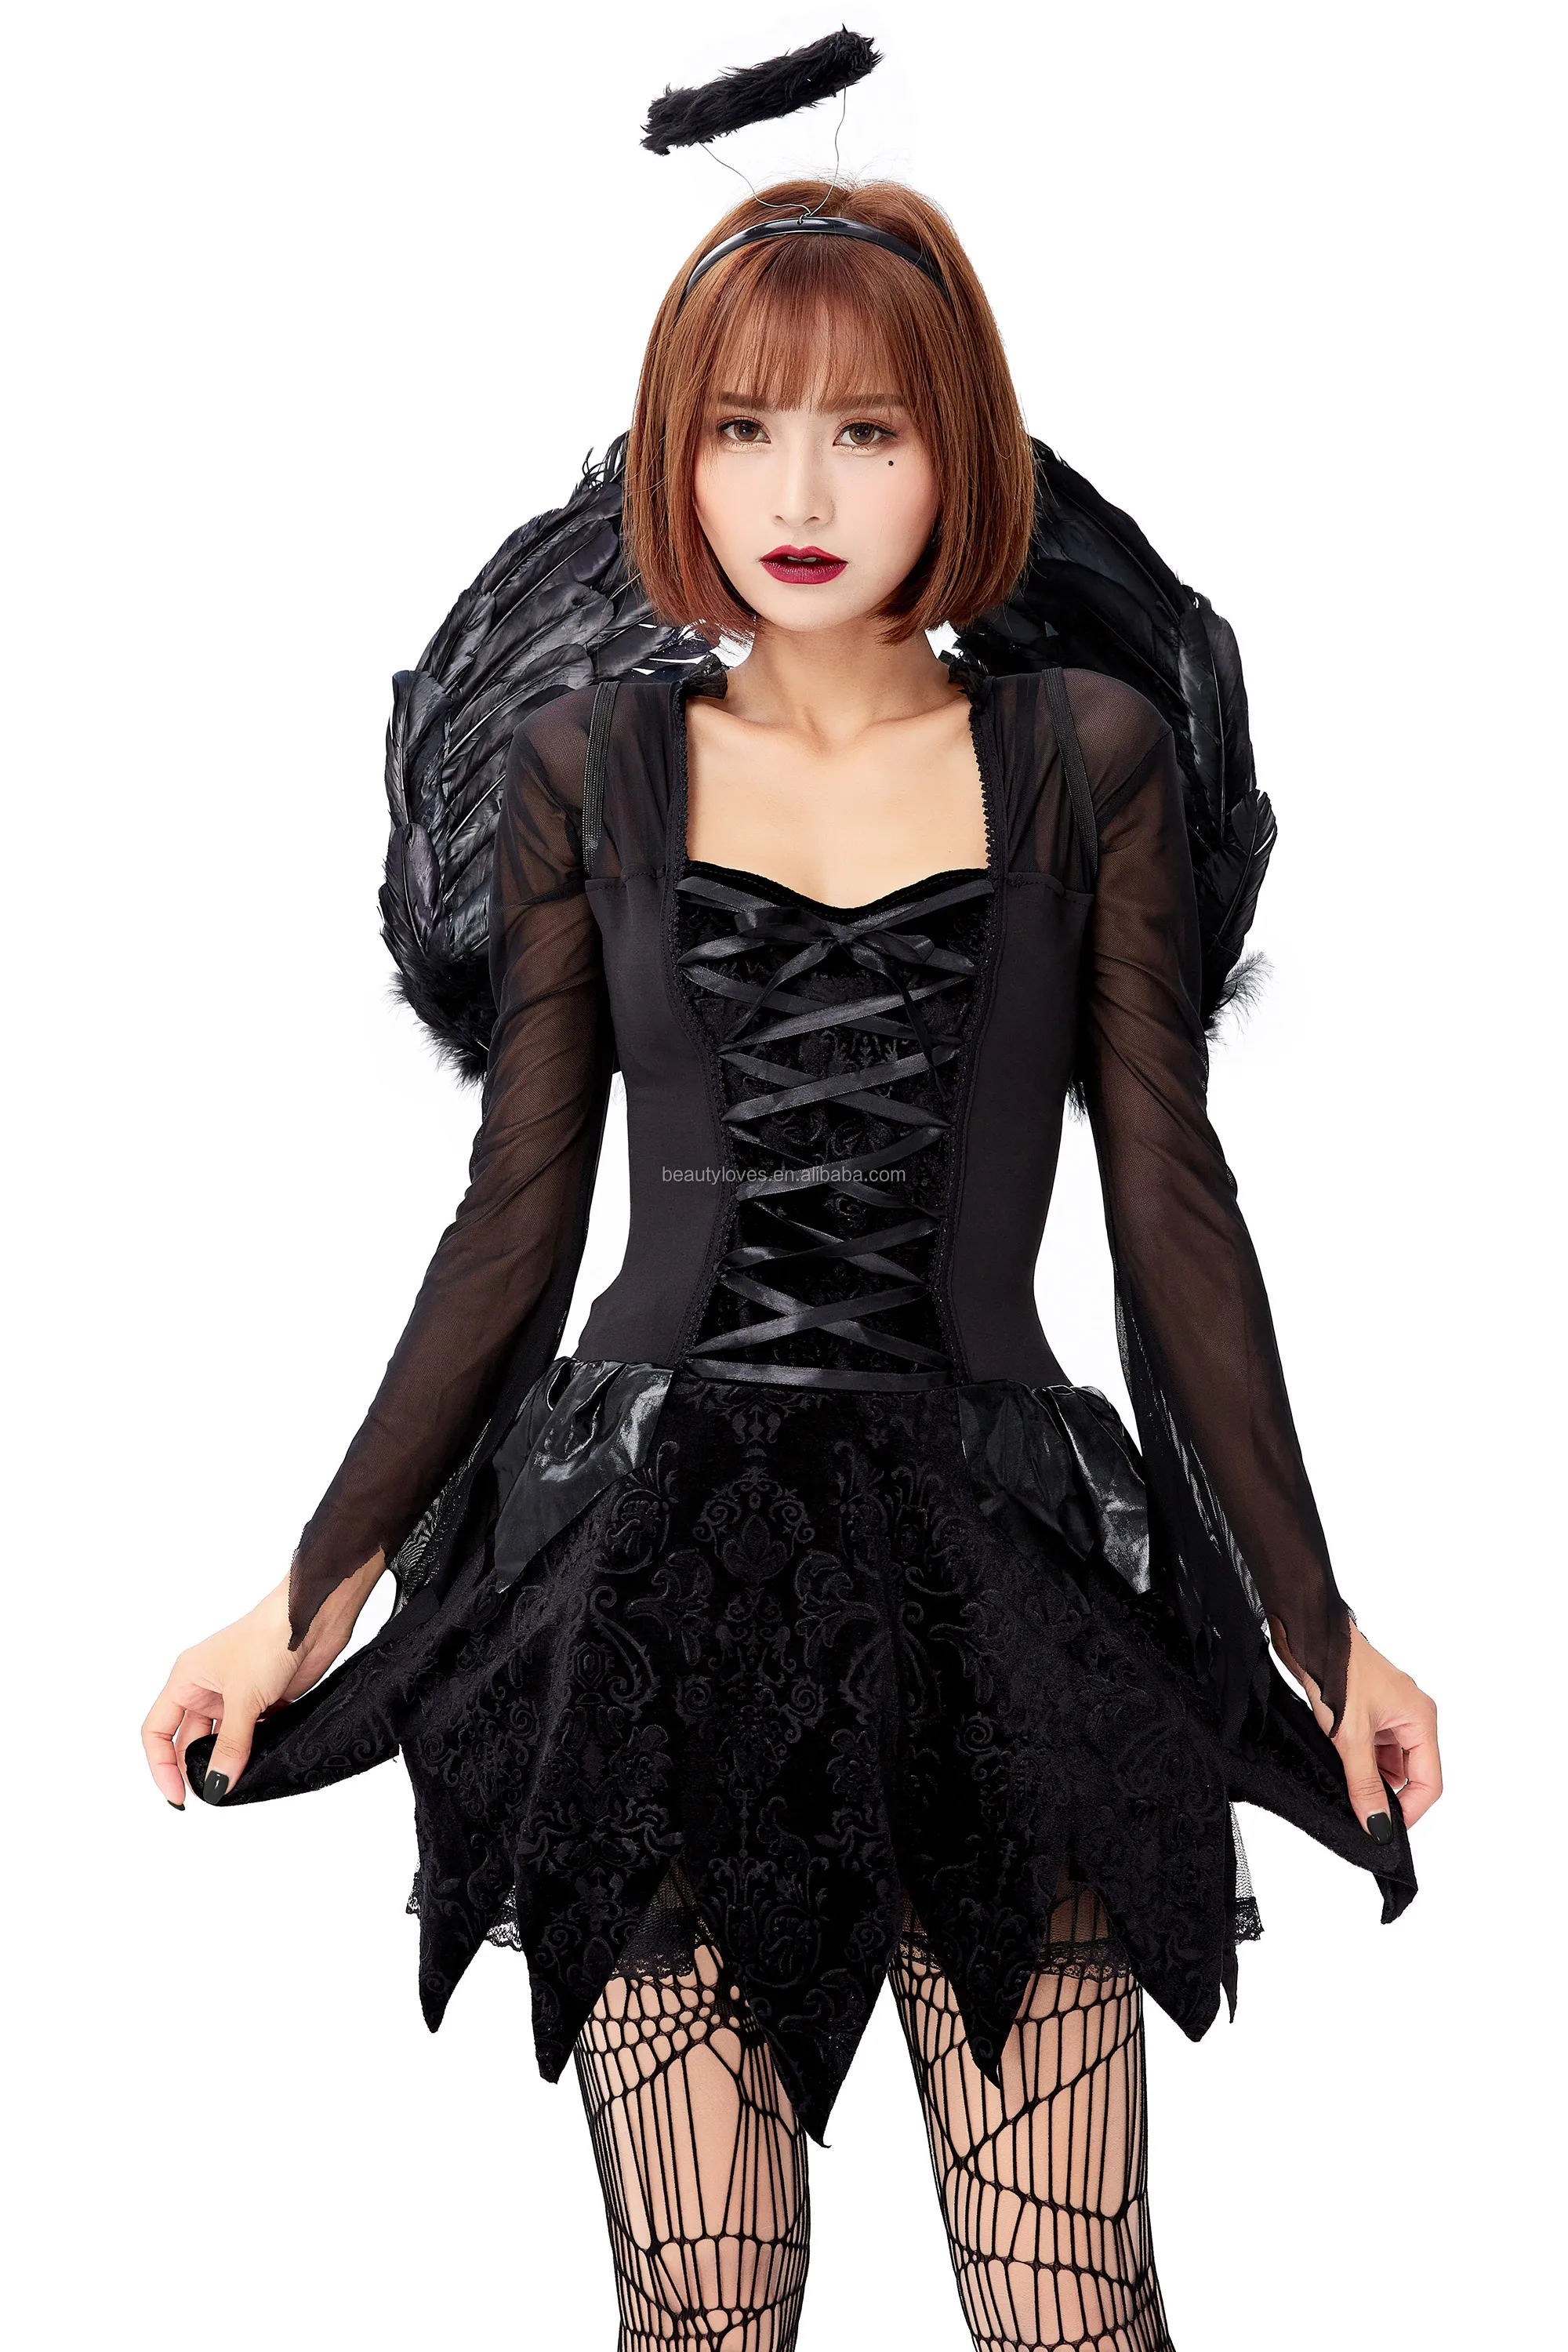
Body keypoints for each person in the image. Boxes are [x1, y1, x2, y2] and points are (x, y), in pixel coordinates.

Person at [142, 176, 1441, 2351]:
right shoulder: (588, 771)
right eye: (744, 429)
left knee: (1070, 2304)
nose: (802, 495)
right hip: (658, 1591)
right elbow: (518, 1219)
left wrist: (1322, 1629)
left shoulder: (1086, 761)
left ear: (960, 449)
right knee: (704, 2305)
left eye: (867, 430)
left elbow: (1171, 1208)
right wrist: (300, 1601)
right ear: (677, 453)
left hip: (994, 1574)